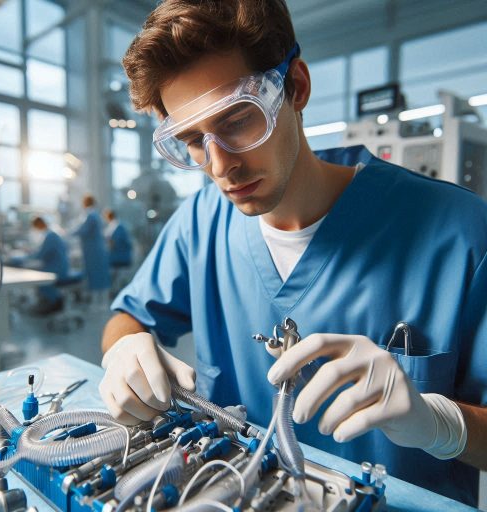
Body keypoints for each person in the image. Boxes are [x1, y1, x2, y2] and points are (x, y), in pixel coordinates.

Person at [98, 0, 487, 506]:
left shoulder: (460, 233)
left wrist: (438, 423)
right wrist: (122, 351)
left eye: (238, 121)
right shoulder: (200, 224)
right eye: (193, 141)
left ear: (296, 88)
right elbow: (127, 316)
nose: (220, 166)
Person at [26, 216, 69, 315]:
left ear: (39, 224)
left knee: (42, 280)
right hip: (58, 266)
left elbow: (40, 254)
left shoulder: (50, 236)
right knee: (41, 277)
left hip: (58, 269)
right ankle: (53, 302)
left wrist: (24, 257)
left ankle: (55, 304)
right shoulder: (50, 234)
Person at [71, 194, 111, 297]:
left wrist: (68, 233)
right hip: (96, 249)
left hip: (92, 250)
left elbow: (83, 230)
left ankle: (96, 303)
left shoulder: (90, 215)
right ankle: (99, 302)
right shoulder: (95, 214)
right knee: (99, 275)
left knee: (94, 275)